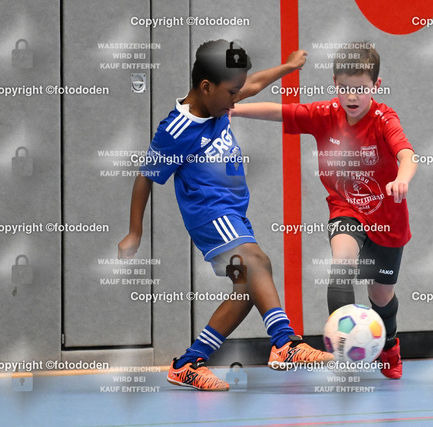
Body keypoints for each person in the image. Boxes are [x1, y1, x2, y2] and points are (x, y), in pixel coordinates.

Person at [118, 39, 333, 391]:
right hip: (210, 215)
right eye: (232, 93)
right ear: (206, 87)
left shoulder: (218, 103)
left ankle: (188, 363)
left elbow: (255, 83)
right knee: (258, 262)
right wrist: (134, 231)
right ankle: (285, 342)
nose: (236, 101)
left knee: (247, 289)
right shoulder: (175, 130)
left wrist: (288, 66)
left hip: (233, 214)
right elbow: (146, 176)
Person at [232, 43, 417, 379]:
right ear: (334, 83)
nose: (352, 96)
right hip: (346, 209)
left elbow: (407, 154)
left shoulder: (384, 119)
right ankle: (346, 353)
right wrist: (233, 109)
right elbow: (280, 112)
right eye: (345, 88)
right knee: (342, 265)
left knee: (381, 296)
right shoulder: (325, 114)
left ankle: (389, 343)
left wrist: (402, 179)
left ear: (376, 86)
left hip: (388, 221)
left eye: (360, 88)